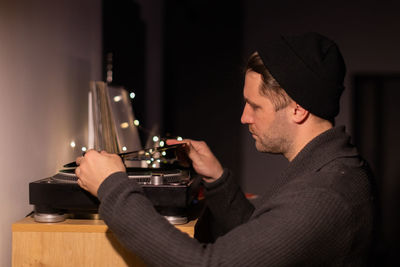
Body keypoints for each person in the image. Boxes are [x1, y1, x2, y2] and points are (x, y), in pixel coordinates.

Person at [75, 32, 375, 266]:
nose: (244, 117)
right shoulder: (329, 168)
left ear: (297, 110)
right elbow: (262, 242)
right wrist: (217, 178)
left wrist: (112, 187)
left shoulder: (323, 194)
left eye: (255, 106)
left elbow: (206, 264)